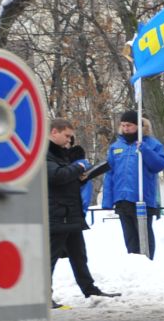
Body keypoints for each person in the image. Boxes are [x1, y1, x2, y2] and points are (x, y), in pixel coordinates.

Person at [47, 118, 115, 300]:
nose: (69, 140)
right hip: (57, 214)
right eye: (66, 136)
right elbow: (56, 176)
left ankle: (90, 290)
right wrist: (78, 167)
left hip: (70, 214)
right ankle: (43, 295)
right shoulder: (43, 153)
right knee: (49, 259)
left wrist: (83, 175)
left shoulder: (62, 153)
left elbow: (67, 178)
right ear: (54, 132)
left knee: (79, 256)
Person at [105, 109, 164, 258]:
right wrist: (108, 200)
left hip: (142, 198)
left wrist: (145, 150)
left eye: (129, 125)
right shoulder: (116, 147)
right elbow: (110, 174)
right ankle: (133, 262)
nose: (125, 128)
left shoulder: (152, 144)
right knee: (130, 238)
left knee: (144, 235)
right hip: (122, 198)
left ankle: (147, 260)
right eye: (123, 125)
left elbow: (159, 165)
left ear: (138, 126)